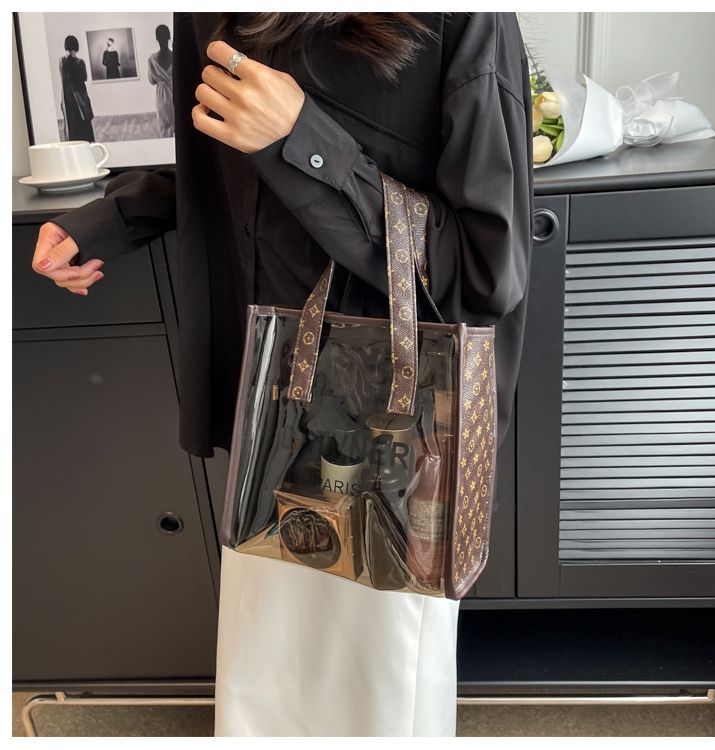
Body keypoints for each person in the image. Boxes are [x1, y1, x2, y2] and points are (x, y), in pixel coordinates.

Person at [31, 12, 533, 736]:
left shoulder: (458, 19)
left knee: (379, 692)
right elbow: (223, 175)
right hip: (270, 402)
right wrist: (112, 219)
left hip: (392, 424)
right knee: (265, 681)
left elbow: (484, 270)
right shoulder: (213, 15)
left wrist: (303, 139)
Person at [59, 35, 95, 142]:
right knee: (84, 125)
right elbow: (84, 78)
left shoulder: (62, 62)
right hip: (79, 97)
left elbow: (66, 77)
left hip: (68, 98)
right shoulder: (79, 62)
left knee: (73, 126)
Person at [147, 24, 175, 138]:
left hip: (161, 97)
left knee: (164, 126)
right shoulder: (175, 56)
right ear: (169, 38)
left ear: (157, 39)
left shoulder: (152, 59)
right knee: (177, 124)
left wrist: (161, 80)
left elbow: (152, 81)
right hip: (174, 94)